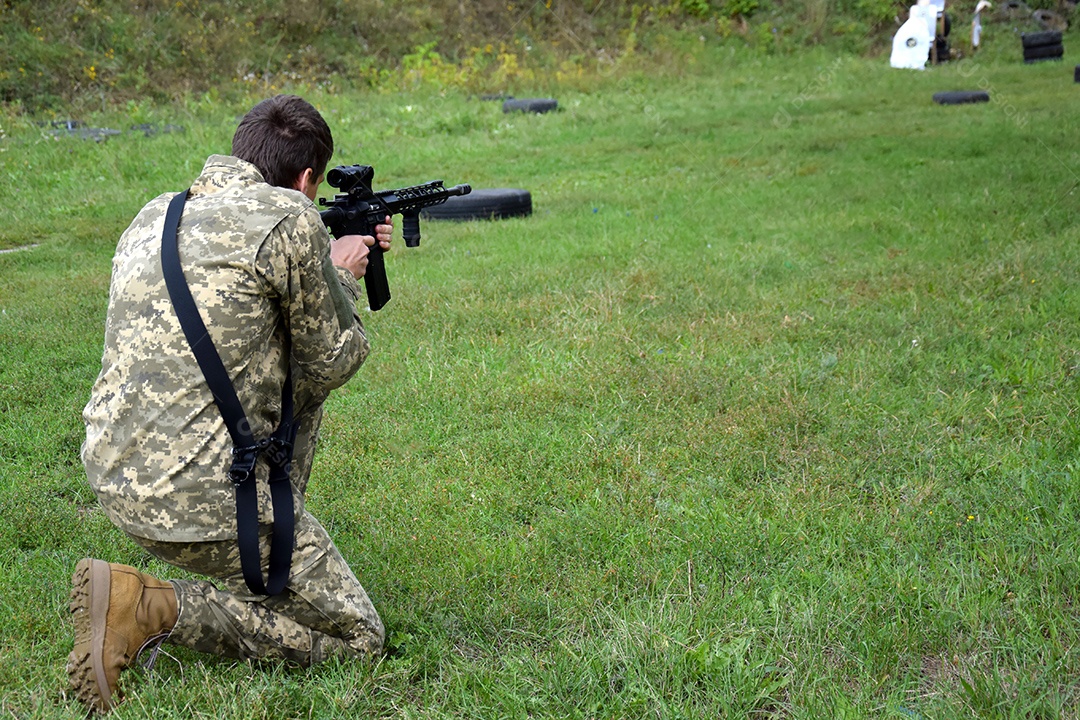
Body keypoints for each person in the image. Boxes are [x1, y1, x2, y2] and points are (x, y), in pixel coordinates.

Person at [69, 94, 392, 714]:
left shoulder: (155, 214)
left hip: (114, 476)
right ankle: (151, 607)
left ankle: (258, 569)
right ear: (306, 181)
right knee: (360, 639)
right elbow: (333, 360)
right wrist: (341, 273)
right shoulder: (291, 220)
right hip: (202, 500)